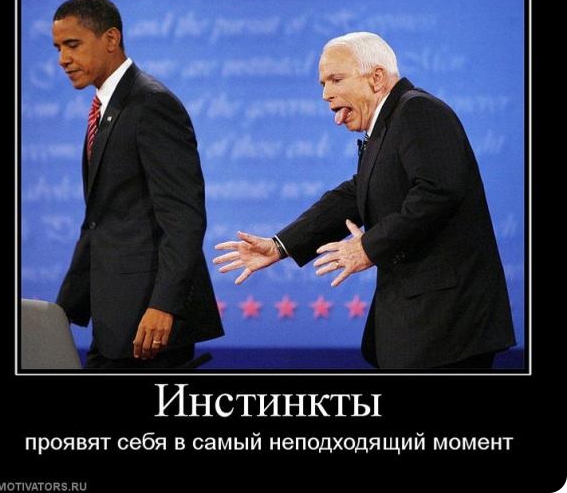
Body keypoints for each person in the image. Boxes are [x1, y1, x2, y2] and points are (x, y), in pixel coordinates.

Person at [214, 32, 515, 370]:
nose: (326, 94)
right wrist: (280, 245)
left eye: (335, 79)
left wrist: (368, 247)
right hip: (423, 325)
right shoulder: (388, 124)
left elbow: (437, 193)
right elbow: (355, 194)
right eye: (323, 84)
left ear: (376, 78)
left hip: (448, 326)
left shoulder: (418, 111)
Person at [52, 0, 223, 370]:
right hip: (115, 319)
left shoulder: (151, 104)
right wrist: (61, 311)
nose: (63, 58)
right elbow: (100, 221)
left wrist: (164, 305)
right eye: (58, 48)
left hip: (150, 324)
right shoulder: (108, 108)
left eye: (73, 45)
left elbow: (184, 218)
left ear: (111, 39)